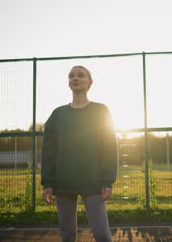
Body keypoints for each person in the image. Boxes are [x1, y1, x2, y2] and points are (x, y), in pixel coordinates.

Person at [41, 65, 118, 242]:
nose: (75, 78)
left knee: (101, 234)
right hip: (63, 182)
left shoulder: (101, 111)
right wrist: (47, 182)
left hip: (93, 182)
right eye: (71, 76)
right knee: (67, 235)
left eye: (80, 75)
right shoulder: (58, 114)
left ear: (90, 82)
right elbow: (48, 151)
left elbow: (109, 147)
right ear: (69, 83)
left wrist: (107, 180)